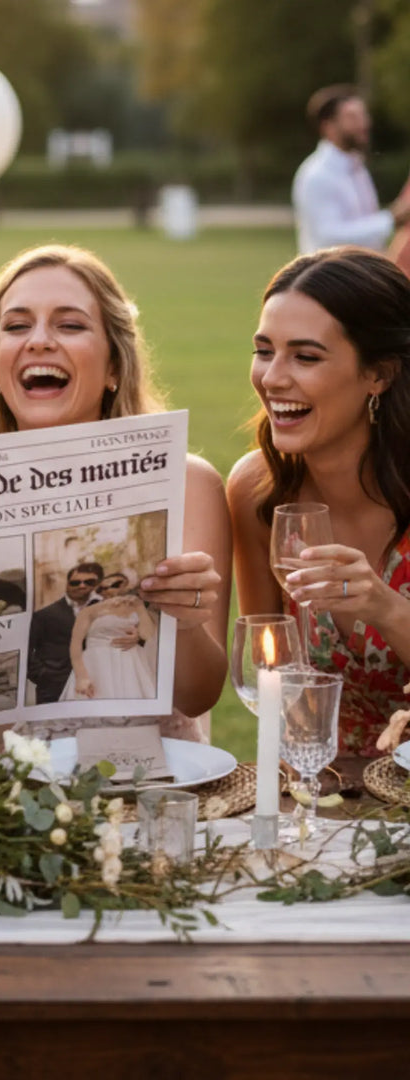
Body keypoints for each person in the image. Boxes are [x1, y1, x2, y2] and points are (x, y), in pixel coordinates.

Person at [0, 244, 232, 735]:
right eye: (17, 326)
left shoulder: (188, 482)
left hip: (141, 787)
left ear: (113, 367)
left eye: (70, 325)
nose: (39, 341)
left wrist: (186, 621)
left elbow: (197, 696)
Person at [227, 246, 410, 756]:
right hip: (326, 795)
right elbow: (270, 675)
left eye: (305, 357)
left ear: (380, 374)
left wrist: (385, 607)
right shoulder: (257, 492)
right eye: (265, 351)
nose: (273, 378)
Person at [292, 85, 410, 256]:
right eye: (352, 117)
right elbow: (329, 237)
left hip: (362, 276)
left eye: (363, 115)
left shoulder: (357, 167)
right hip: (330, 279)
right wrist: (390, 220)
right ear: (328, 127)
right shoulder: (316, 174)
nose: (364, 123)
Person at [61, 571, 158, 701]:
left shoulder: (136, 606)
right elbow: (75, 645)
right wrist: (81, 677)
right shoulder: (89, 611)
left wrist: (139, 606)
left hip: (131, 664)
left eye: (117, 584)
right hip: (98, 664)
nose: (109, 589)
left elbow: (147, 635)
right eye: (102, 587)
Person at [27, 561, 105, 704]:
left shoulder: (107, 611)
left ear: (98, 584)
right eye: (75, 582)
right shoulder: (44, 615)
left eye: (89, 582)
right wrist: (42, 675)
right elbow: (27, 650)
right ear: (67, 583)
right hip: (54, 688)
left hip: (98, 684)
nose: (82, 585)